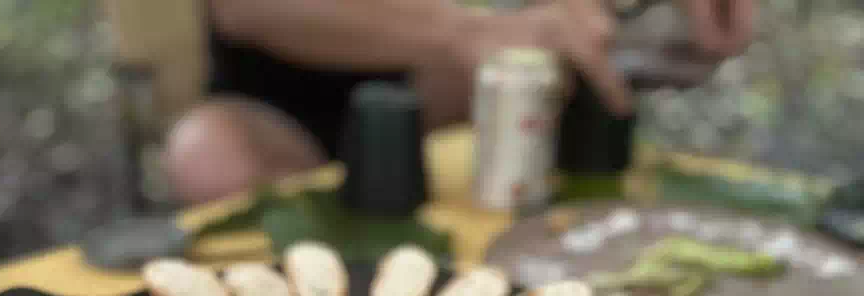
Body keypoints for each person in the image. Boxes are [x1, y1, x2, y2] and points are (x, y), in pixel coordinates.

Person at [165, 0, 755, 205]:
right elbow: (242, 10)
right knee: (209, 153)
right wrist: (470, 31)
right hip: (275, 106)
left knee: (563, 69)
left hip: (429, 82)